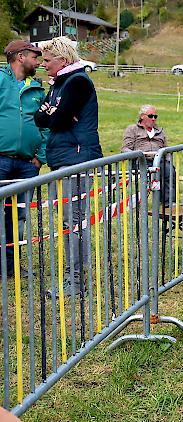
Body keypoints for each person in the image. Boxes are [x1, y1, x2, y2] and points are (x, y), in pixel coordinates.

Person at [34, 36, 102, 294]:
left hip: (77, 158)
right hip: (62, 157)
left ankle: (75, 281)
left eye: (48, 61)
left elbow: (58, 119)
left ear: (63, 60)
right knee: (69, 222)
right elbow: (40, 117)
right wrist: (53, 113)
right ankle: (74, 277)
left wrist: (55, 114)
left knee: (73, 222)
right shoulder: (57, 84)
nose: (44, 65)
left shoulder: (78, 82)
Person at [0, 40, 48, 278]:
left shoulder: (37, 90)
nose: (38, 62)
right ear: (20, 57)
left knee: (17, 215)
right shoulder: (0, 80)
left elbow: (47, 126)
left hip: (27, 165)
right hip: (1, 159)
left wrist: (40, 157)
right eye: (35, 57)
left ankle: (10, 266)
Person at [122, 105, 175, 205]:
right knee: (150, 176)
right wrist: (137, 155)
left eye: (155, 116)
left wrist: (168, 160)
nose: (153, 119)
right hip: (142, 161)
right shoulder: (132, 129)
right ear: (142, 116)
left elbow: (166, 148)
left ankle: (169, 203)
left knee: (169, 170)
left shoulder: (159, 131)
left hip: (159, 160)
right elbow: (125, 148)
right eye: (151, 116)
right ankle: (143, 202)